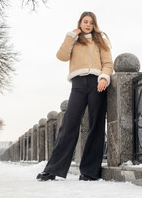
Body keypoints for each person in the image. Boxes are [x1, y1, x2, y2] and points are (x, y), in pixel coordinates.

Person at [37, 11, 113, 181]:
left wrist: (104, 77)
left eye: (91, 22)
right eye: (85, 21)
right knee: (69, 125)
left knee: (96, 126)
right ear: (80, 23)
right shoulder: (74, 41)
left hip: (97, 84)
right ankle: (52, 170)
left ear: (94, 25)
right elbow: (61, 56)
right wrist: (71, 36)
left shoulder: (101, 40)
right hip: (78, 85)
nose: (88, 25)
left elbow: (108, 63)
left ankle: (90, 172)